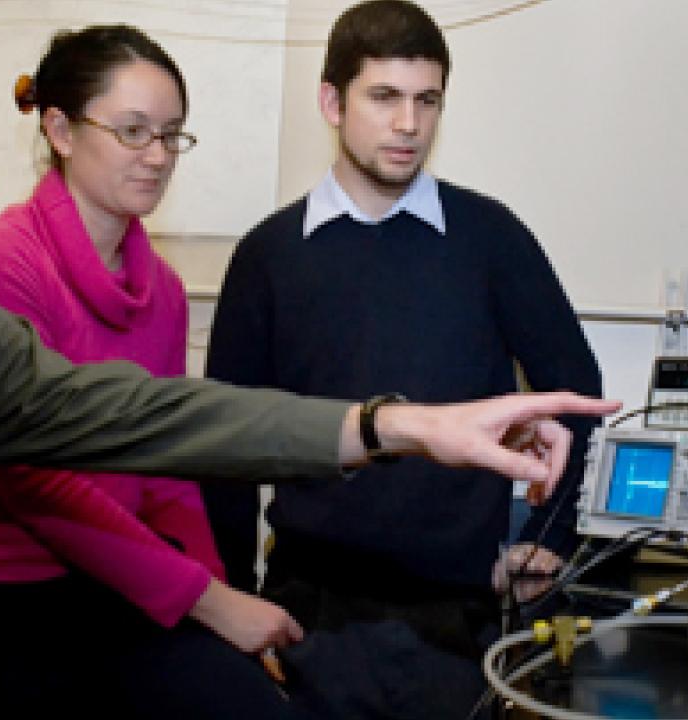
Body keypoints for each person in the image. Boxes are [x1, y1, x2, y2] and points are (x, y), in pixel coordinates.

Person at [0, 3, 618, 719]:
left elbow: (173, 429)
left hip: (320, 597)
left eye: (172, 134)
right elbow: (63, 480)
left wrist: (403, 432)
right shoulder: (1, 277)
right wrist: (215, 594)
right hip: (38, 604)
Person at [0, 25, 313, 720]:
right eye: (133, 131)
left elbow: (168, 464)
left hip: (120, 578)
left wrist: (214, 600)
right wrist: (208, 600)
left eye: (171, 135)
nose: (157, 156)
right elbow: (32, 480)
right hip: (0, 592)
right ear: (60, 128)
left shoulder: (165, 290)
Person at [203, 1, 604, 717]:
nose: (408, 124)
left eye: (427, 101)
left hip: (459, 621)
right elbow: (225, 446)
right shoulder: (268, 256)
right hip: (307, 617)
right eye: (383, 97)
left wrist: (551, 541)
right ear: (332, 100)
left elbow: (575, 393)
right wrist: (227, 602)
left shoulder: (491, 238)